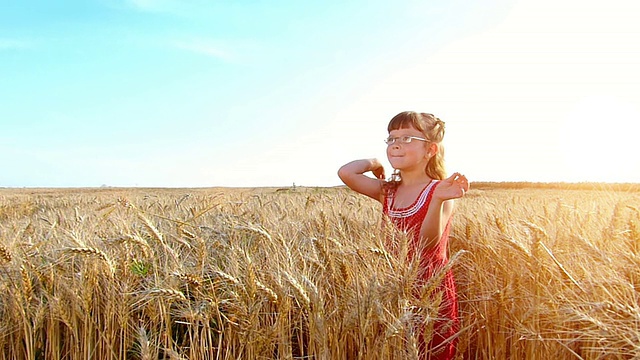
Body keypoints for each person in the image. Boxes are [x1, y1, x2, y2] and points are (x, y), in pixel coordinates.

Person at [337, 111, 469, 359]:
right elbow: (346, 173)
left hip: (431, 290)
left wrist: (438, 200)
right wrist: (375, 161)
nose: (396, 143)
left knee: (430, 352)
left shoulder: (439, 190)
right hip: (393, 288)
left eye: (408, 138)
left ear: (430, 150)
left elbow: (429, 246)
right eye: (391, 138)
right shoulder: (387, 191)